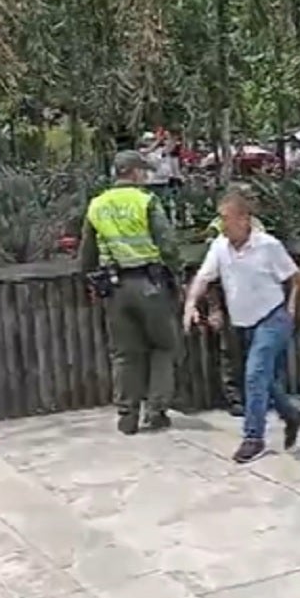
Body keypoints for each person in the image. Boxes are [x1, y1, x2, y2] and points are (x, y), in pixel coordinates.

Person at [184, 192, 300, 463]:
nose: (222, 224)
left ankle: (253, 438)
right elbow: (202, 278)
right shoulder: (219, 247)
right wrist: (190, 304)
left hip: (273, 319)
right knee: (265, 381)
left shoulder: (268, 246)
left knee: (254, 374)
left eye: (226, 218)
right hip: (244, 323)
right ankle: (292, 415)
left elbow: (297, 277)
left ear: (244, 219)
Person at [80, 150, 183, 435]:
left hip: (114, 289)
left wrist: (89, 282)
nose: (146, 176)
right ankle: (156, 411)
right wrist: (178, 275)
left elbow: (86, 253)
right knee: (163, 346)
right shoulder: (146, 201)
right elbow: (168, 245)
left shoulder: (97, 205)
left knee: (124, 353)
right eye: (143, 171)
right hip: (149, 285)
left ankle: (127, 415)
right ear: (135, 172)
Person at [202, 194, 265, 416]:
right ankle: (235, 399)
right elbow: (211, 276)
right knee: (231, 351)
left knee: (257, 350)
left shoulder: (257, 226)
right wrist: (214, 308)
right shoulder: (218, 229)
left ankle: (258, 396)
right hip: (228, 296)